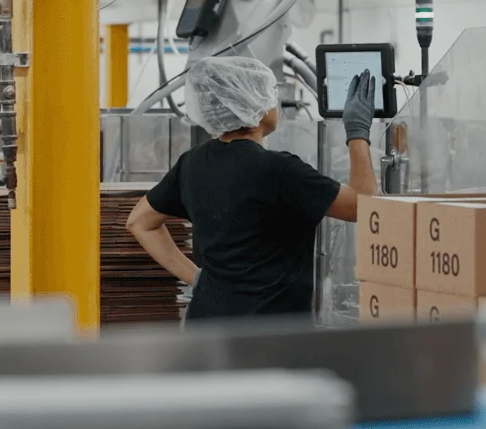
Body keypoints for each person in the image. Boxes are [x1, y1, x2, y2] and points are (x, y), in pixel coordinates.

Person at [126, 55, 379, 322]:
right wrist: (358, 132)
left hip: (205, 326)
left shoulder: (192, 163)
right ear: (254, 105)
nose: (275, 102)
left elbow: (140, 222)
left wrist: (198, 278)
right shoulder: (278, 170)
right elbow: (363, 206)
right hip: (265, 336)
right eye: (270, 93)